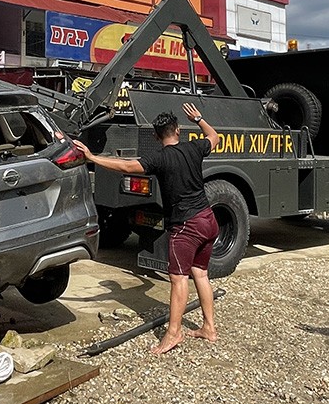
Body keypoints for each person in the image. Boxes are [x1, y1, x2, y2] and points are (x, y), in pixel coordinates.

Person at [74, 102, 220, 355]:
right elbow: (214, 137)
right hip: (208, 219)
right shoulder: (194, 147)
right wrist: (199, 118)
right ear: (178, 130)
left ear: (155, 136)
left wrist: (92, 157)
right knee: (201, 274)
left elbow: (127, 166)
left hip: (186, 226)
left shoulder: (159, 158)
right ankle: (209, 327)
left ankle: (173, 334)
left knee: (178, 279)